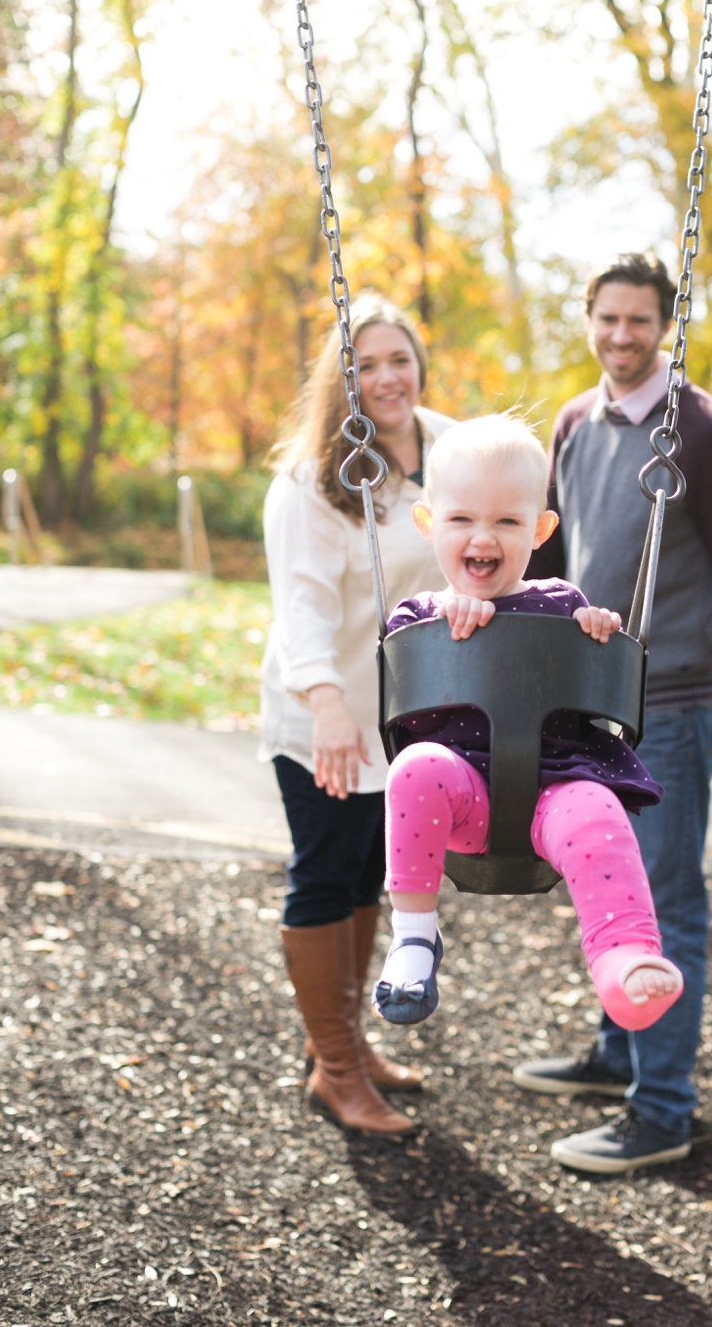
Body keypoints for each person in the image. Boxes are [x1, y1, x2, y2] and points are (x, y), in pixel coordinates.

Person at [513, 251, 712, 1175]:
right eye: (608, 318)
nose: (622, 336)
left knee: (666, 911)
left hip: (669, 707)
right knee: (606, 887)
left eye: (640, 321)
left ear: (664, 324)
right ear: (587, 318)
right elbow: (549, 567)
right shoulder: (576, 423)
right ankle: (616, 1051)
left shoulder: (706, 436)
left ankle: (661, 1109)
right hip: (589, 708)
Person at [369, 413, 684, 1034]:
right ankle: (413, 939)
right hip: (459, 803)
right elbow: (402, 656)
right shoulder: (419, 611)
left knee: (598, 807)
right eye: (461, 519)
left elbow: (589, 684)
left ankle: (624, 953)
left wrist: (596, 633)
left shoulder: (562, 602)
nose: (482, 536)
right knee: (414, 767)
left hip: (552, 791)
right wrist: (440, 619)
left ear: (539, 531)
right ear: (429, 523)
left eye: (507, 521)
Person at [260, 294, 454, 1136]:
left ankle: (348, 1045)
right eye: (365, 365)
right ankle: (333, 1067)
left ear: (418, 363)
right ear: (342, 382)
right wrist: (329, 705)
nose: (385, 377)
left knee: (377, 875)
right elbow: (299, 606)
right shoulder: (308, 481)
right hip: (323, 715)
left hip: (399, 715)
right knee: (326, 875)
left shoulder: (448, 448)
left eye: (398, 359)